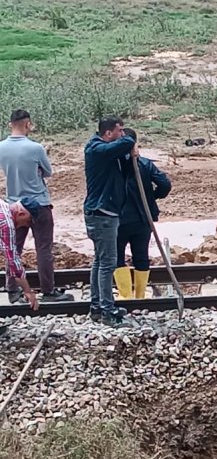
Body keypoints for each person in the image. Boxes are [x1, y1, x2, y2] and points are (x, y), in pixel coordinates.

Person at [0, 110, 71, 304]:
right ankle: (48, 290)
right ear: (28, 124)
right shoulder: (36, 148)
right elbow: (47, 172)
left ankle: (13, 290)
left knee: (13, 249)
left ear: (10, 125)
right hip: (39, 204)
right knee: (44, 249)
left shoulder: (1, 147)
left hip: (13, 204)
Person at [83, 117, 135, 324]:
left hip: (102, 213)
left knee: (100, 261)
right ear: (108, 133)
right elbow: (127, 141)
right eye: (119, 130)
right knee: (107, 263)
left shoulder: (105, 150)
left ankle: (97, 306)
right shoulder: (96, 149)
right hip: (102, 213)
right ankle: (106, 310)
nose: (122, 134)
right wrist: (130, 138)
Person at [115, 128, 170, 300]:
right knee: (141, 256)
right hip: (142, 218)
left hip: (119, 220)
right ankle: (139, 295)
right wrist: (151, 197)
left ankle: (126, 295)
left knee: (117, 257)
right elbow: (165, 185)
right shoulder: (145, 164)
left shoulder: (114, 165)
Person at [0, 201, 40, 312]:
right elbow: (12, 260)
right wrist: (27, 291)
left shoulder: (3, 205)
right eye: (28, 221)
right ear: (21, 213)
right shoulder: (7, 224)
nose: (27, 225)